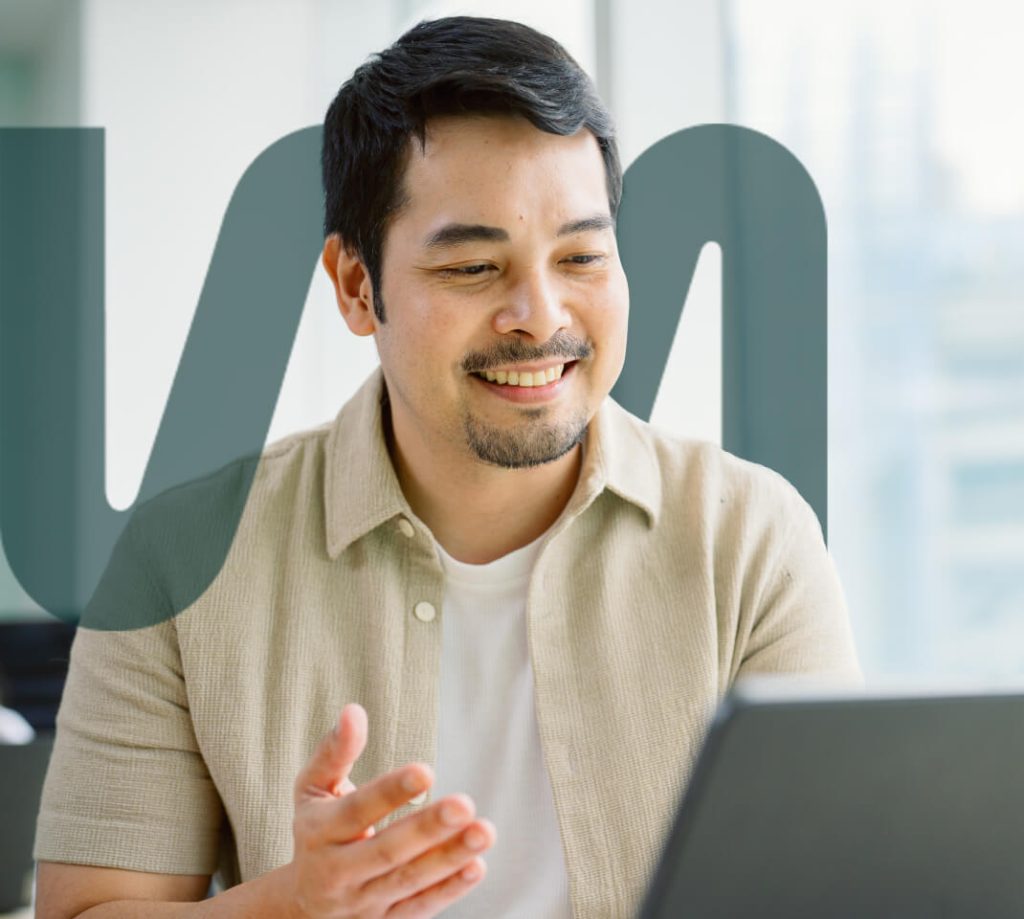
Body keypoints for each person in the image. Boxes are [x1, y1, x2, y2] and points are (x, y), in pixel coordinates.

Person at [33, 15, 860, 919]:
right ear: (356, 287)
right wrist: (290, 908)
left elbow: (837, 891)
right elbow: (87, 909)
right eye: (473, 266)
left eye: (582, 255)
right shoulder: (179, 558)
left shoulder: (752, 539)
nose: (539, 316)